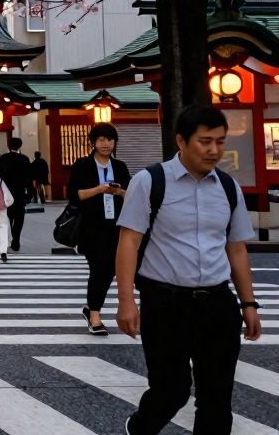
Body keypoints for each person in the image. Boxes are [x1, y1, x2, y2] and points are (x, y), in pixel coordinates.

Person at [115, 105, 261, 434]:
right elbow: (129, 242)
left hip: (217, 304)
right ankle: (140, 427)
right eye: (205, 141)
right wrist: (126, 299)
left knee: (217, 397)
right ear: (181, 141)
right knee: (172, 389)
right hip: (166, 304)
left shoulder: (227, 187)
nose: (214, 150)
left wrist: (248, 304)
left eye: (220, 142)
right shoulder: (148, 181)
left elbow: (236, 248)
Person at [67, 123, 131, 336]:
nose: (106, 144)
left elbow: (129, 194)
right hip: (91, 228)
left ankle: (91, 309)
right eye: (102, 140)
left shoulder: (120, 166)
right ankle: (94, 315)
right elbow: (75, 195)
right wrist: (101, 189)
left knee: (110, 270)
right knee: (99, 269)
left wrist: (118, 192)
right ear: (93, 142)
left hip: (115, 227)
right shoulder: (83, 165)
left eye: (110, 140)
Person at [0, 137, 32, 251]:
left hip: (6, 192)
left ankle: (11, 236)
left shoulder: (3, 158)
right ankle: (16, 238)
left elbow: (0, 176)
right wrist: (30, 193)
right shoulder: (24, 159)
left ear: (9, 146)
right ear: (20, 146)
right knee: (19, 217)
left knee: (8, 216)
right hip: (19, 192)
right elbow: (29, 177)